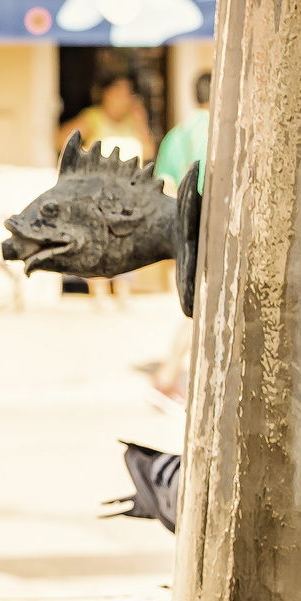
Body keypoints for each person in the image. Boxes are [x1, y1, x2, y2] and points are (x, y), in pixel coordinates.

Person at [56, 76, 156, 305]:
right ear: (107, 94)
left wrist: (141, 119)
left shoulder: (132, 122)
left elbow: (148, 150)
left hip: (127, 196)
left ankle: (122, 292)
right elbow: (62, 138)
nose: (125, 98)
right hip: (98, 195)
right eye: (120, 92)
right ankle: (100, 293)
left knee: (125, 243)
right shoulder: (93, 118)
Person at [149, 72, 212, 405]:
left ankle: (169, 374)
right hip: (214, 226)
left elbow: (164, 183)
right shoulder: (221, 128)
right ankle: (168, 374)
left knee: (195, 303)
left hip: (185, 225)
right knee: (200, 304)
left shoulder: (177, 135)